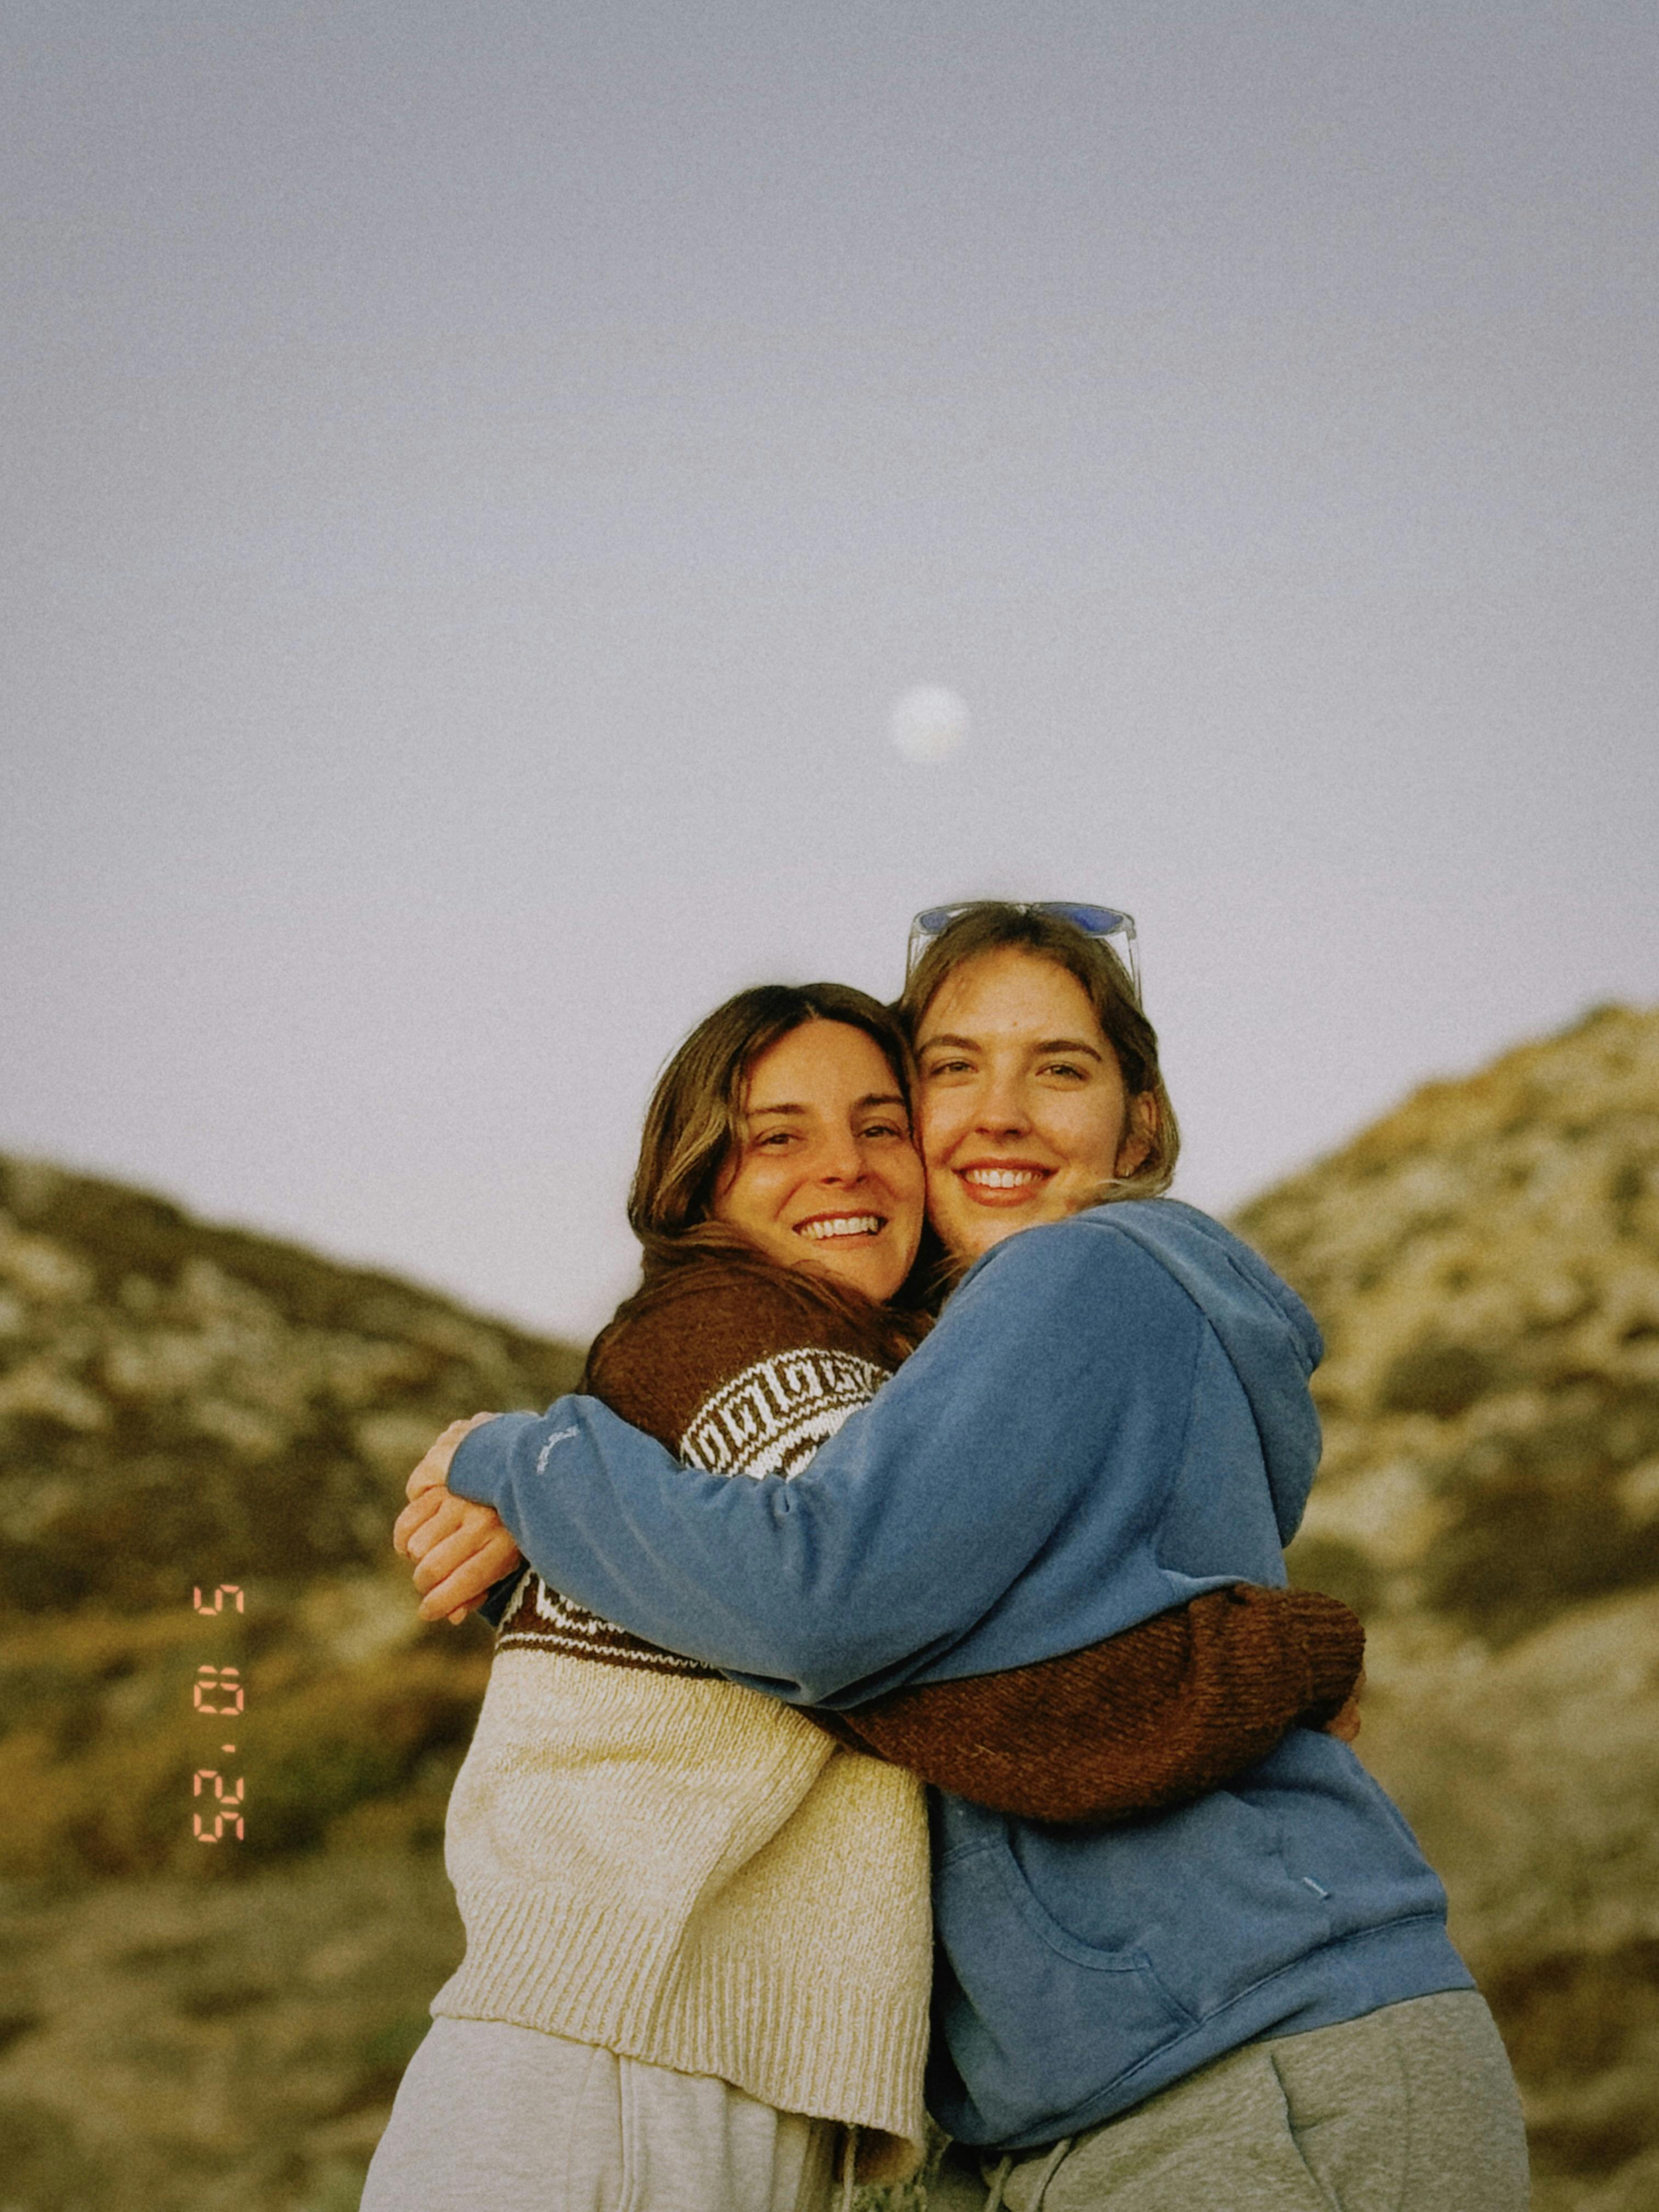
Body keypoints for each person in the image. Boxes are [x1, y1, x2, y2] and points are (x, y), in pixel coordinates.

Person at [410, 904, 1530, 2210]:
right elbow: (901, 1629)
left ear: (1141, 1127)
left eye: (1058, 1068)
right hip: (1159, 2085)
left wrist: (528, 1464)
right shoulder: (941, 1370)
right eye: (951, 1069)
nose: (997, 1114)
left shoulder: (1074, 1275)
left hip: (1250, 2060)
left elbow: (824, 1603)